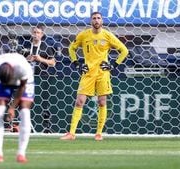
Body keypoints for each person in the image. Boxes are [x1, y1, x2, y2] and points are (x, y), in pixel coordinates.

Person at [60, 11, 129, 141]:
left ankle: (98, 133)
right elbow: (71, 48)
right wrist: (76, 64)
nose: (96, 20)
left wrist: (114, 65)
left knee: (102, 102)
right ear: (91, 21)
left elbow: (124, 50)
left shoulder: (107, 35)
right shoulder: (84, 35)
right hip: (88, 73)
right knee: (79, 101)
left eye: (98, 18)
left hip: (102, 73)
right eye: (94, 18)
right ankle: (71, 133)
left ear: (102, 21)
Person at [0, 47, 34, 163]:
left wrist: (12, 107)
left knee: (25, 112)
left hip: (25, 81)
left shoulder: (23, 67)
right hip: (2, 83)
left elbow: (22, 86)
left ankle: (21, 154)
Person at [18, 24, 56, 133]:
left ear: (42, 34)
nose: (36, 34)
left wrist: (41, 59)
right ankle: (27, 126)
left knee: (44, 103)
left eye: (38, 33)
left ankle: (46, 127)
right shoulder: (25, 46)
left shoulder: (46, 47)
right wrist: (26, 59)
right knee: (26, 103)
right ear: (31, 33)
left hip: (42, 78)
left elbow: (53, 63)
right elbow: (18, 62)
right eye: (34, 32)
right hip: (27, 79)